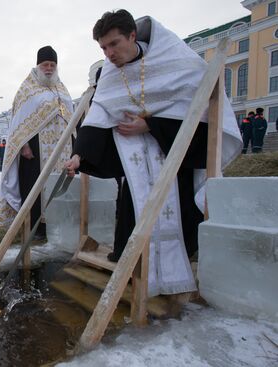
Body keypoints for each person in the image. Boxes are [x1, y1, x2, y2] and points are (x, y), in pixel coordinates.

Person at [64, 10, 241, 297]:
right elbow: (98, 116)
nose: (109, 53)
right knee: (133, 207)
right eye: (103, 48)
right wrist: (79, 155)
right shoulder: (110, 73)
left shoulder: (176, 61)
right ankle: (133, 263)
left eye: (114, 44)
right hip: (134, 160)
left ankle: (175, 272)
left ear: (132, 36)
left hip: (172, 153)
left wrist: (150, 125)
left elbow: (199, 112)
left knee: (176, 208)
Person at [0, 46, 74, 239]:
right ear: (38, 66)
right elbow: (18, 123)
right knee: (35, 188)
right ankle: (36, 229)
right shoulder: (27, 89)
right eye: (45, 65)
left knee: (61, 186)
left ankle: (57, 226)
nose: (49, 68)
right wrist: (23, 145)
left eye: (52, 65)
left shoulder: (62, 89)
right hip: (35, 150)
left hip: (62, 149)